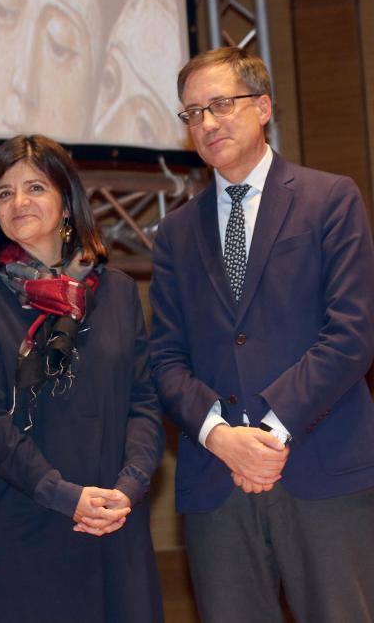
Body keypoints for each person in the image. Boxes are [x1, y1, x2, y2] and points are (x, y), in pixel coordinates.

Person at [149, 46, 374, 622]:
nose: (206, 123)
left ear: (264, 106)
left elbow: (351, 334)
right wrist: (221, 437)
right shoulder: (174, 233)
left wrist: (268, 435)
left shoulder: (330, 198)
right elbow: (166, 359)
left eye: (220, 104)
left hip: (320, 470)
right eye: (192, 113)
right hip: (214, 482)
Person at [0, 134, 164, 622]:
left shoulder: (116, 291)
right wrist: (62, 494)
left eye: (35, 187)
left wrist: (131, 485)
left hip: (115, 517)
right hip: (24, 521)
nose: (18, 202)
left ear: (66, 200)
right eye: (4, 192)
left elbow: (145, 400)